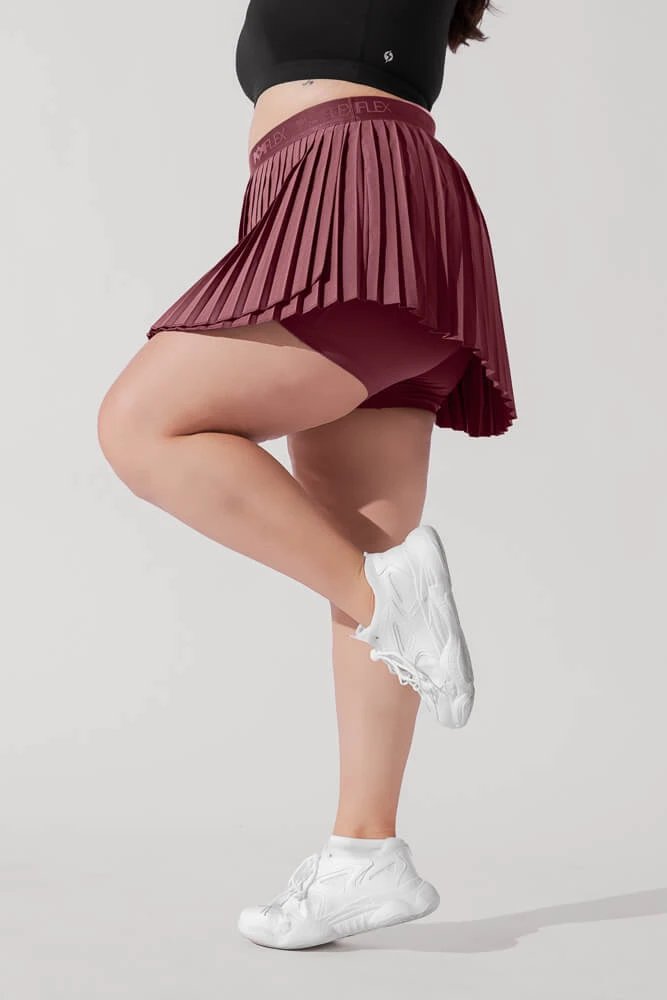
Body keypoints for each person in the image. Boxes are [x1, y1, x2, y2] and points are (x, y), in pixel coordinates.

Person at [97, 0, 517, 950]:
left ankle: (388, 604)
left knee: (140, 426)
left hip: (353, 192)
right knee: (361, 544)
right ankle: (365, 855)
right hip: (345, 192)